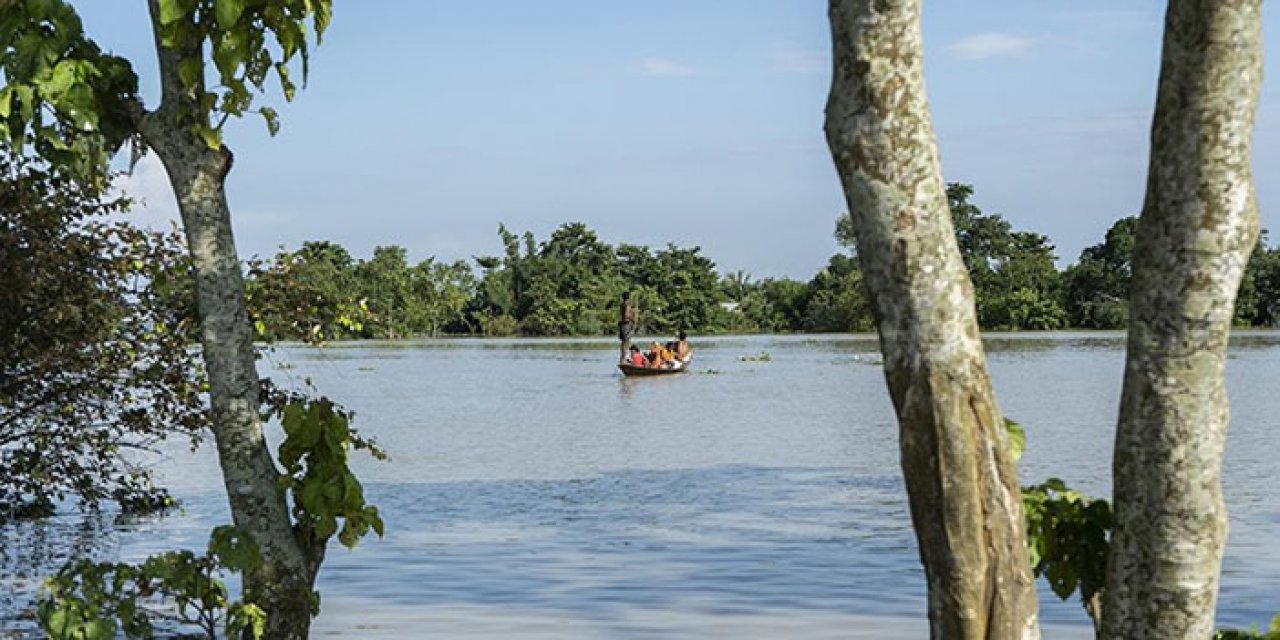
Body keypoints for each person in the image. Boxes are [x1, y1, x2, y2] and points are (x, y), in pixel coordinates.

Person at [618, 291, 635, 364]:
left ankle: (622, 359)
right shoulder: (627, 305)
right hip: (626, 324)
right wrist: (633, 319)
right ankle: (624, 359)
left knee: (623, 342)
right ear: (629, 297)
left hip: (622, 324)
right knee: (626, 342)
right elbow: (626, 315)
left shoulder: (622, 304)